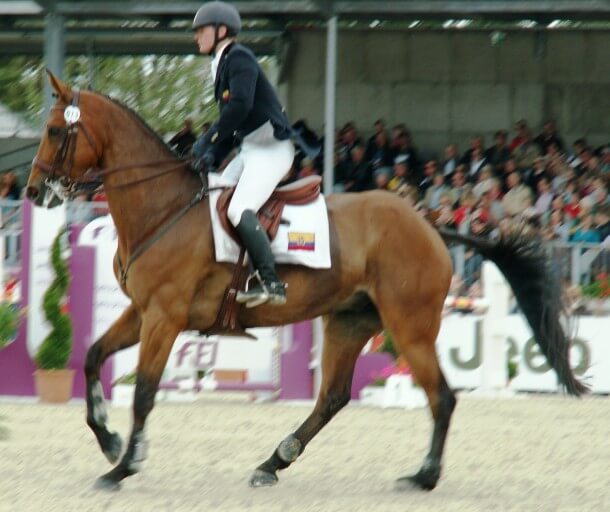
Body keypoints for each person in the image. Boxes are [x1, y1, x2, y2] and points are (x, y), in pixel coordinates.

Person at [191, 1, 299, 308]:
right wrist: (210, 155)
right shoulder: (223, 64)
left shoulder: (239, 57)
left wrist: (206, 140)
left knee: (239, 208)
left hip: (272, 150)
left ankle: (271, 281)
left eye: (201, 30)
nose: (197, 37)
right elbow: (233, 126)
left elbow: (239, 108)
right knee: (215, 194)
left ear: (221, 31)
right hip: (251, 150)